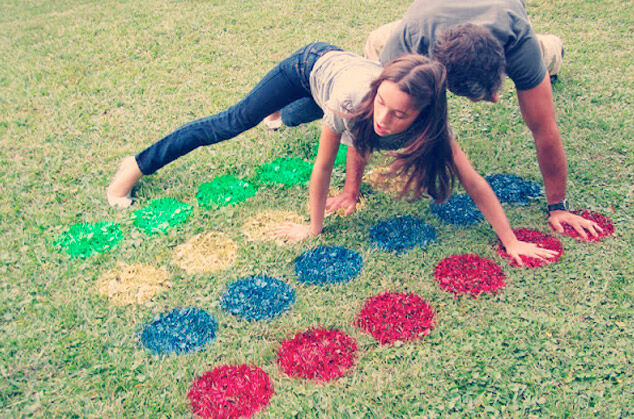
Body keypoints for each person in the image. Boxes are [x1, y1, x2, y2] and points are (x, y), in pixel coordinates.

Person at [106, 42, 557, 263]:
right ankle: (136, 164)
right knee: (235, 120)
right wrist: (313, 227)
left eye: (400, 115)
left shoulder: (434, 129)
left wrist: (512, 239)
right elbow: (324, 165)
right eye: (383, 103)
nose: (385, 119)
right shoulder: (354, 104)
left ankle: (284, 115)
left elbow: (475, 183)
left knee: (307, 117)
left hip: (333, 92)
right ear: (378, 88)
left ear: (422, 115)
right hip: (310, 66)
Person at [270, 0, 602, 240]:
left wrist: (557, 205)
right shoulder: (412, 40)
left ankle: (553, 50)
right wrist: (351, 189)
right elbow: (368, 119)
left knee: (544, 58)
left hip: (503, 17)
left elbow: (544, 130)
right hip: (425, 23)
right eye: (482, 97)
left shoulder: (518, 42)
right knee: (374, 67)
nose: (495, 101)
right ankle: (291, 110)